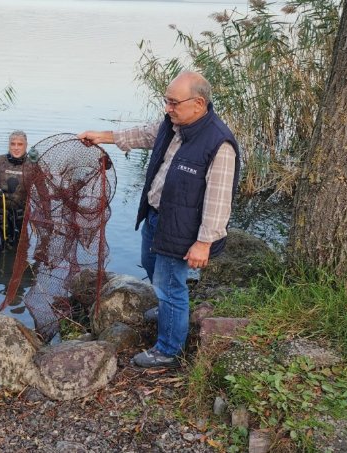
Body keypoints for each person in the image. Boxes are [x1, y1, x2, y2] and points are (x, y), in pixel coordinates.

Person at [78, 71, 240, 369]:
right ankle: (170, 311)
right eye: (166, 101)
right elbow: (143, 134)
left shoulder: (219, 143)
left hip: (182, 229)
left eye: (173, 102)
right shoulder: (175, 125)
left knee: (170, 287)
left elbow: (219, 201)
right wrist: (102, 136)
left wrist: (204, 243)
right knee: (151, 265)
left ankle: (167, 350)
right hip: (156, 218)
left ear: (199, 103)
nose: (168, 108)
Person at [0, 130, 34, 247]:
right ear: (8, 145)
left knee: (18, 249)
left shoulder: (32, 165)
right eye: (13, 144)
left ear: (26, 145)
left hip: (20, 218)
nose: (16, 148)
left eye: (20, 144)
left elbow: (44, 193)